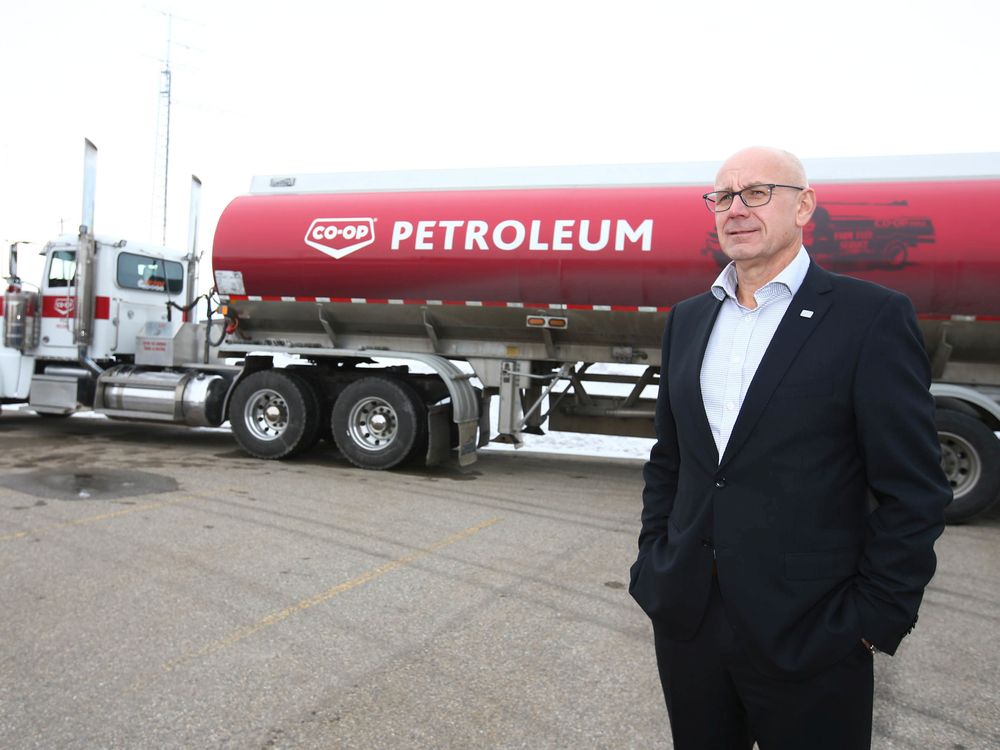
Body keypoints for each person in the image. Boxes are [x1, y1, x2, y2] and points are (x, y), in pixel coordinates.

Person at [629, 146, 950, 749]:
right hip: (689, 624)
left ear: (804, 206)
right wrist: (653, 566)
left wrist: (873, 618)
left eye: (756, 192)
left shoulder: (869, 318)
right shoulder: (688, 319)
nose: (736, 209)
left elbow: (913, 488)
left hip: (813, 635)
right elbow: (671, 461)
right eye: (722, 196)